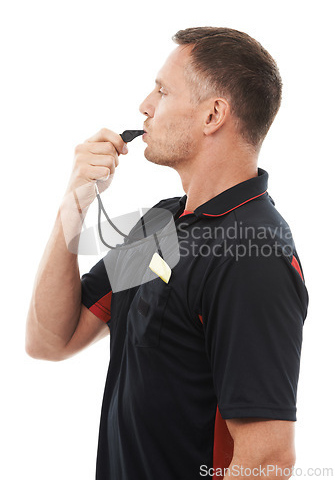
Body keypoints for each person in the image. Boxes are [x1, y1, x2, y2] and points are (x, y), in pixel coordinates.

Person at [26, 27, 309, 479]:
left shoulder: (253, 255)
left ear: (213, 114)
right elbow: (49, 341)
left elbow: (268, 460)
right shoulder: (161, 225)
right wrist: (74, 203)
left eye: (163, 90)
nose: (145, 105)